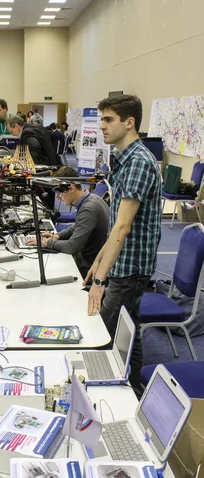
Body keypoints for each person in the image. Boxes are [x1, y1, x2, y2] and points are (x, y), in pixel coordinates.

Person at [84, 94, 162, 395]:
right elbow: (118, 220)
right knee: (130, 334)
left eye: (108, 120)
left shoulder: (139, 163)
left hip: (129, 269)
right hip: (122, 263)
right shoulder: (125, 159)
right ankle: (135, 393)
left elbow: (123, 226)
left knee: (102, 333)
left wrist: (101, 279)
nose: (101, 126)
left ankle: (120, 396)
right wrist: (100, 260)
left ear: (129, 123)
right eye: (101, 119)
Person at [27, 167, 109, 279]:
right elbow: (78, 226)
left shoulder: (88, 209)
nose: (57, 197)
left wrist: (47, 243)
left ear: (70, 188)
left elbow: (72, 247)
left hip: (89, 269)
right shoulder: (92, 199)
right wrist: (57, 236)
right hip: (90, 262)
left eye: (58, 191)